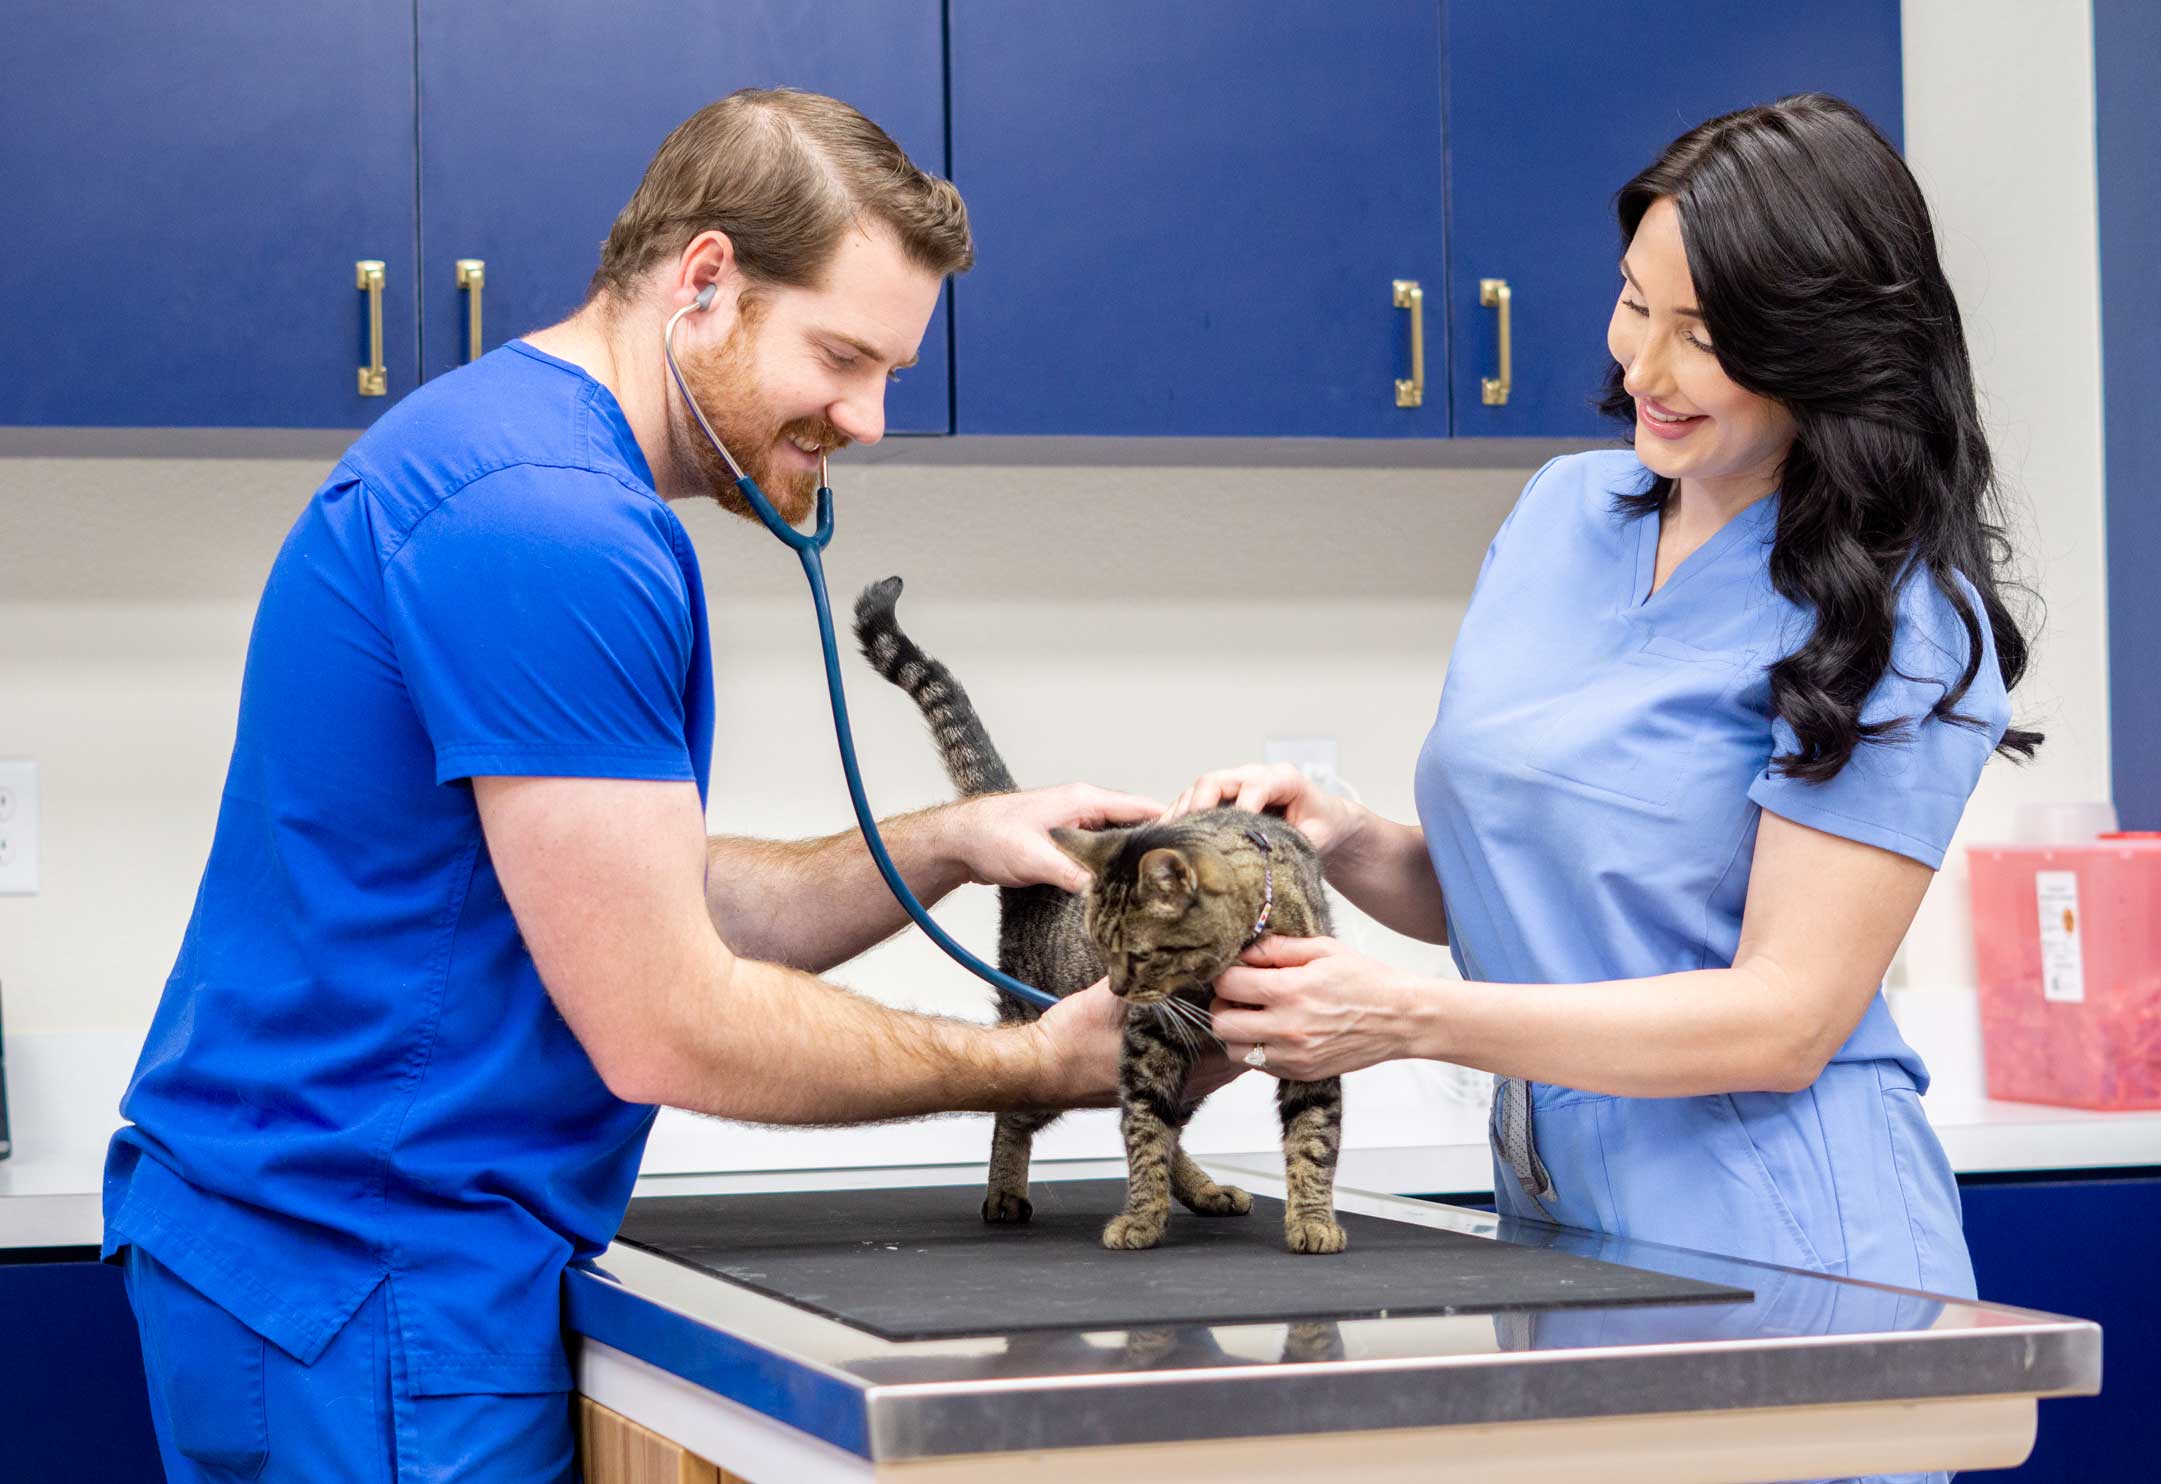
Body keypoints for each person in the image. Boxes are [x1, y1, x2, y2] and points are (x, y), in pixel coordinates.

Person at [102, 88, 1208, 1483]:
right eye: (842, 357)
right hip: (367, 1275)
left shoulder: (514, 456)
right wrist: (1033, 1064)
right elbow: (666, 1023)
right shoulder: (552, 527)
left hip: (337, 1255)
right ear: (705, 282)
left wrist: (948, 843)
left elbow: (644, 900)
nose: (867, 420)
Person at [1174, 92, 2029, 1409]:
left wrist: (1406, 1019)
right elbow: (1539, 892)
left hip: (1792, 1257)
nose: (1645, 368)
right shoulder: (1561, 513)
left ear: (1824, 348)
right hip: (1565, 1240)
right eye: (1636, 303)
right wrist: (1340, 837)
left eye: (1707, 337)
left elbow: (1785, 1018)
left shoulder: (1900, 616)